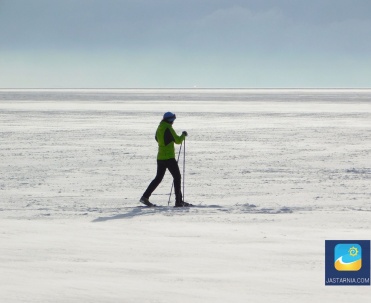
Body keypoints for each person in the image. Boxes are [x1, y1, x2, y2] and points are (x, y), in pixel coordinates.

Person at [140, 112, 192, 207]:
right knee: (177, 177)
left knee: (158, 178)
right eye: (173, 120)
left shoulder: (159, 127)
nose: (173, 122)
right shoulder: (168, 128)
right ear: (170, 120)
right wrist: (183, 135)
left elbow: (156, 138)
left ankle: (145, 197)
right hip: (169, 157)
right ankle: (178, 202)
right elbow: (177, 140)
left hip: (160, 157)